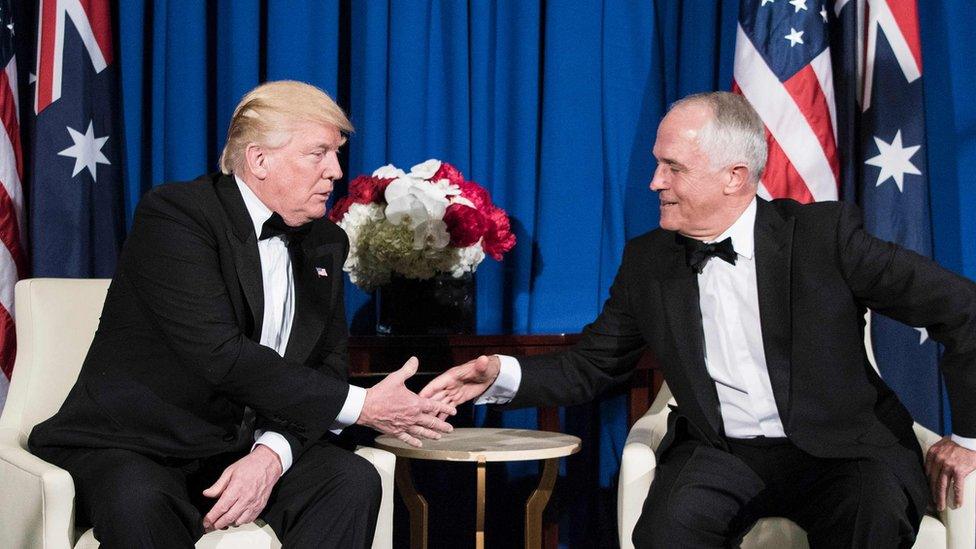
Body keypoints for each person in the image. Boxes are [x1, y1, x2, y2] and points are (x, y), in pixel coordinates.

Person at [421, 91, 976, 548]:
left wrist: (970, 437)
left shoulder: (823, 237)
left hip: (843, 449)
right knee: (664, 534)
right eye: (657, 165)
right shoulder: (649, 260)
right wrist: (498, 375)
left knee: (872, 522)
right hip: (722, 451)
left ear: (735, 176)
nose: (654, 183)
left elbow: (962, 307)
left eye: (672, 167)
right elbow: (595, 364)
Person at [29, 80, 456, 549]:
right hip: (139, 444)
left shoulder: (326, 242)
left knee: (348, 479)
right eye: (318, 154)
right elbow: (219, 354)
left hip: (239, 444)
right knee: (140, 501)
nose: (335, 171)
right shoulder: (177, 215)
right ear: (258, 159)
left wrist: (271, 455)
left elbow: (324, 366)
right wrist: (364, 405)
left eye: (336, 154)